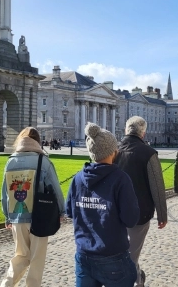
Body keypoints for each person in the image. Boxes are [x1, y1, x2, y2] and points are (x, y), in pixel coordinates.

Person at [66, 122, 139, 286]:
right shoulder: (120, 179)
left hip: (84, 253)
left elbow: (70, 212)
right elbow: (131, 219)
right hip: (112, 254)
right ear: (113, 151)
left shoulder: (78, 178)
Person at [0, 127, 65, 287]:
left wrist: (7, 216)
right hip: (39, 217)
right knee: (36, 260)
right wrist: (61, 211)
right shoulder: (43, 162)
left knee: (21, 256)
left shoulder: (10, 161)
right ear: (37, 142)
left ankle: (6, 284)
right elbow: (56, 189)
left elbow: (5, 193)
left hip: (17, 215)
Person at [114, 116, 168, 287]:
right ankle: (137, 280)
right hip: (140, 212)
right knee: (131, 255)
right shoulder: (148, 153)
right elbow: (157, 186)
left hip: (115, 212)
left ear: (125, 130)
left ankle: (137, 278)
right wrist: (162, 214)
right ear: (143, 133)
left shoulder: (113, 150)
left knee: (124, 254)